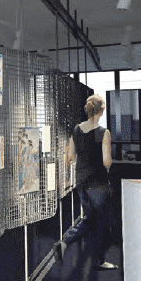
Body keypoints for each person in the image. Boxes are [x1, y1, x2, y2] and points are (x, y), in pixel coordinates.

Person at [54, 94, 118, 270]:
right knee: (101, 222)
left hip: (81, 181)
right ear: (101, 110)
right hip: (98, 183)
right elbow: (107, 162)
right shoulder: (104, 133)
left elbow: (70, 156)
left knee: (91, 219)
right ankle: (98, 260)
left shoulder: (76, 130)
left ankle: (65, 243)